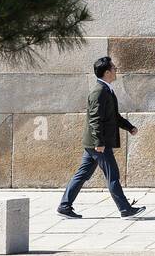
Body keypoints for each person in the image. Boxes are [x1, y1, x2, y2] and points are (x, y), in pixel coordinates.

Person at [57, 57, 145, 219]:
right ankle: (125, 209)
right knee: (113, 175)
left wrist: (129, 127)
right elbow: (95, 119)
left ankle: (64, 206)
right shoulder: (99, 92)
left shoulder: (106, 90)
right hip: (99, 143)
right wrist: (99, 142)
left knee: (82, 174)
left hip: (95, 143)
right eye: (113, 67)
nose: (116, 69)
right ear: (107, 72)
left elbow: (113, 116)